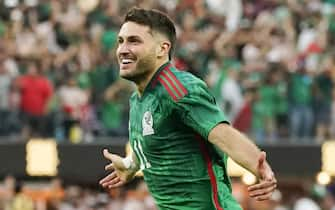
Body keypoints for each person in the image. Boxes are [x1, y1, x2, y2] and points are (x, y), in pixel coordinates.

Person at [99, 7, 277, 210]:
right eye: (121, 41)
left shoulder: (177, 88)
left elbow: (222, 134)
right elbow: (156, 145)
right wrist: (131, 165)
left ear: (162, 49)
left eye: (134, 41)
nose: (122, 49)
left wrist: (259, 166)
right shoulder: (138, 99)